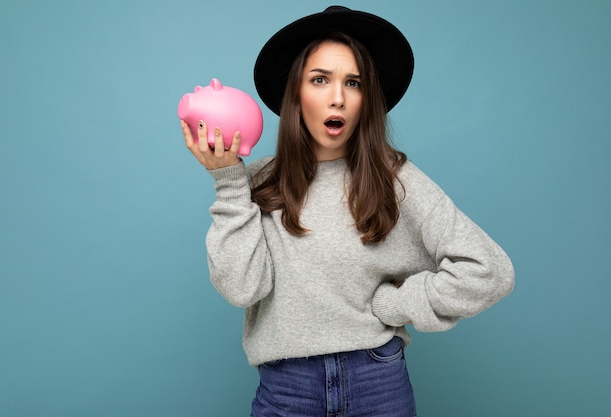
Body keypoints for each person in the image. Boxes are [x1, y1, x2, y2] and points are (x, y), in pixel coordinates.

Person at [180, 5, 515, 416]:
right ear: (296, 93)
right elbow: (242, 289)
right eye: (320, 80)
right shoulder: (256, 182)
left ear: (366, 98)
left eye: (353, 83)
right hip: (287, 389)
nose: (337, 97)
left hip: (377, 382)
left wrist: (394, 306)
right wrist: (229, 183)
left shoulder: (396, 179)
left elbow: (489, 271)